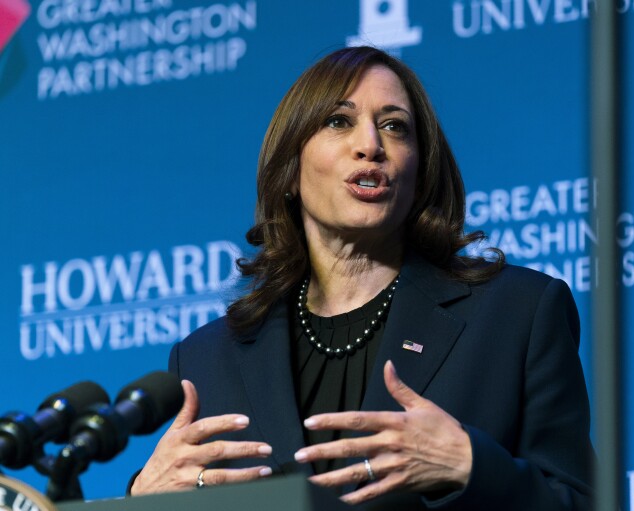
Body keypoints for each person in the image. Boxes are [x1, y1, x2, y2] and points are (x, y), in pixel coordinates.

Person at [130, 46, 594, 509]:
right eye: (339, 121)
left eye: (395, 126)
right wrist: (143, 500)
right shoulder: (208, 360)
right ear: (290, 171)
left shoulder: (517, 312)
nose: (370, 144)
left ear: (420, 172)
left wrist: (469, 464)